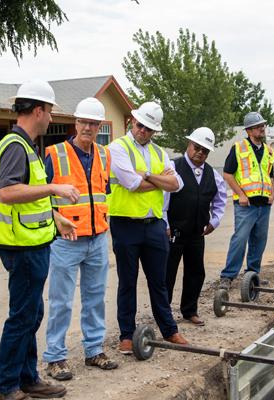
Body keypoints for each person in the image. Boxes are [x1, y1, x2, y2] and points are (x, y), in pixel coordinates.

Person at [0, 80, 79, 400]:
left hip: (33, 241)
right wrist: (56, 189)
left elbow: (31, 199)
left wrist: (56, 217)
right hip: (22, 245)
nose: (52, 119)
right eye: (50, 112)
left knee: (31, 313)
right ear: (38, 110)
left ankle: (27, 378)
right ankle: (8, 385)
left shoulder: (26, 146)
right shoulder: (16, 145)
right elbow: (10, 192)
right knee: (22, 316)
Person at [42, 97, 118, 381]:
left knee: (95, 297)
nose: (88, 127)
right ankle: (55, 357)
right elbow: (40, 196)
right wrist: (55, 219)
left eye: (93, 123)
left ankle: (94, 350)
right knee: (61, 301)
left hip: (97, 238)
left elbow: (101, 194)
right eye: (83, 121)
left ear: (99, 125)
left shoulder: (104, 155)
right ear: (75, 123)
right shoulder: (55, 154)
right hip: (66, 240)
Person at [108, 101, 188, 355]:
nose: (143, 130)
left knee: (159, 282)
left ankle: (169, 329)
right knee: (127, 282)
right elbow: (131, 183)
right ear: (133, 121)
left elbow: (177, 184)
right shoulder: (117, 148)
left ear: (154, 131)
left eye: (148, 128)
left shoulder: (159, 152)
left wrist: (147, 176)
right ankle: (126, 336)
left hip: (154, 225)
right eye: (140, 124)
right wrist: (159, 179)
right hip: (125, 224)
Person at [163, 127, 227, 326]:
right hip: (174, 231)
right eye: (197, 147)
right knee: (168, 273)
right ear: (189, 145)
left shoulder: (212, 174)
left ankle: (190, 310)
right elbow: (163, 199)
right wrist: (164, 224)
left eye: (205, 150)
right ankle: (164, 315)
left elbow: (220, 198)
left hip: (197, 232)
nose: (200, 152)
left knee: (196, 272)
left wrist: (214, 221)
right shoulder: (173, 167)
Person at [219, 112, 274, 289]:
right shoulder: (239, 148)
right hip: (246, 204)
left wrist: (272, 193)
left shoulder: (269, 150)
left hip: (264, 204)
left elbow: (270, 175)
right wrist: (241, 195)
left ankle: (252, 274)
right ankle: (228, 276)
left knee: (259, 240)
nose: (262, 128)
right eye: (258, 126)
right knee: (240, 239)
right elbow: (227, 174)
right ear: (249, 130)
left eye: (263, 125)